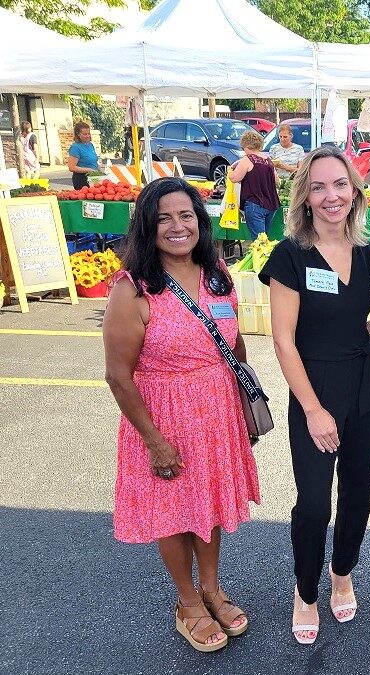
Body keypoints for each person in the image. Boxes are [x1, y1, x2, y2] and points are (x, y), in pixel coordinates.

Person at [103, 177, 261, 653]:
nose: (177, 226)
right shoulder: (133, 290)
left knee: (208, 505)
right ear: (147, 227)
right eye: (164, 218)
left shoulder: (218, 275)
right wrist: (152, 439)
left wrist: (240, 408)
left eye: (186, 215)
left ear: (201, 221)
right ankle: (187, 601)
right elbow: (118, 375)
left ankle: (212, 589)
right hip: (162, 415)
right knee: (173, 512)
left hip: (216, 413)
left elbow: (234, 344)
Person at [258, 145, 370, 646]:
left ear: (354, 191)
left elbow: (345, 316)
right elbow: (283, 340)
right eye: (319, 186)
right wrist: (313, 409)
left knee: (358, 492)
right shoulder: (290, 255)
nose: (331, 195)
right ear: (306, 197)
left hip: (365, 390)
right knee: (314, 504)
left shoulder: (364, 248)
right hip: (315, 393)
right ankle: (306, 590)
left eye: (340, 184)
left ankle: (342, 571)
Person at [230, 130, 280, 238]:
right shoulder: (268, 160)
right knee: (265, 238)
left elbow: (234, 178)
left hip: (255, 204)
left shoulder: (248, 159)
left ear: (246, 145)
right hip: (271, 204)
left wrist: (231, 172)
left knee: (259, 242)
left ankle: (263, 255)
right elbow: (277, 182)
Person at [67, 120, 99, 189]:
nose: (87, 136)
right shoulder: (75, 147)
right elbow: (71, 167)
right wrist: (89, 170)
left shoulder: (90, 145)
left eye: (88, 133)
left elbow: (94, 161)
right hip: (82, 179)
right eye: (85, 134)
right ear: (78, 134)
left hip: (93, 177)